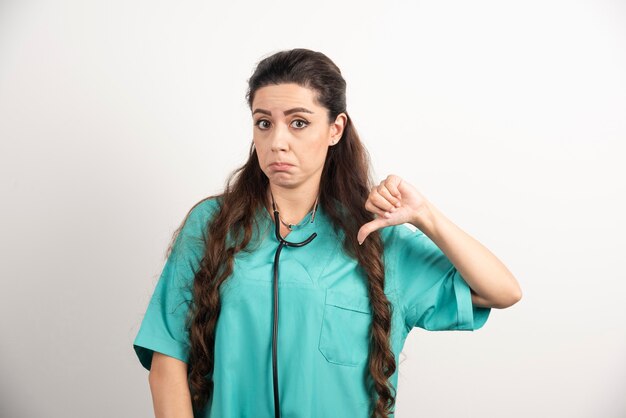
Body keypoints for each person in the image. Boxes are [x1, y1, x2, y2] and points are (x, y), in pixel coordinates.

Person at [132, 48, 522, 418]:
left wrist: (426, 217)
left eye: (298, 122)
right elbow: (168, 357)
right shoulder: (212, 225)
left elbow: (502, 292)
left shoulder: (375, 236)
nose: (277, 141)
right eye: (263, 122)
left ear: (335, 129)